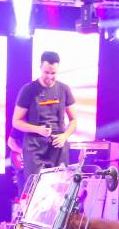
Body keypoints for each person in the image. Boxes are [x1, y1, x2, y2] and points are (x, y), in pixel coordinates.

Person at [12, 51, 77, 184]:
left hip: (58, 145)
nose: (49, 76)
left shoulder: (64, 89)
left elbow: (74, 120)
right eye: (46, 72)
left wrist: (64, 136)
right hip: (34, 147)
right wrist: (37, 129)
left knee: (59, 187)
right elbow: (16, 121)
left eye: (53, 73)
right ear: (40, 67)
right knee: (36, 187)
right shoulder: (28, 90)